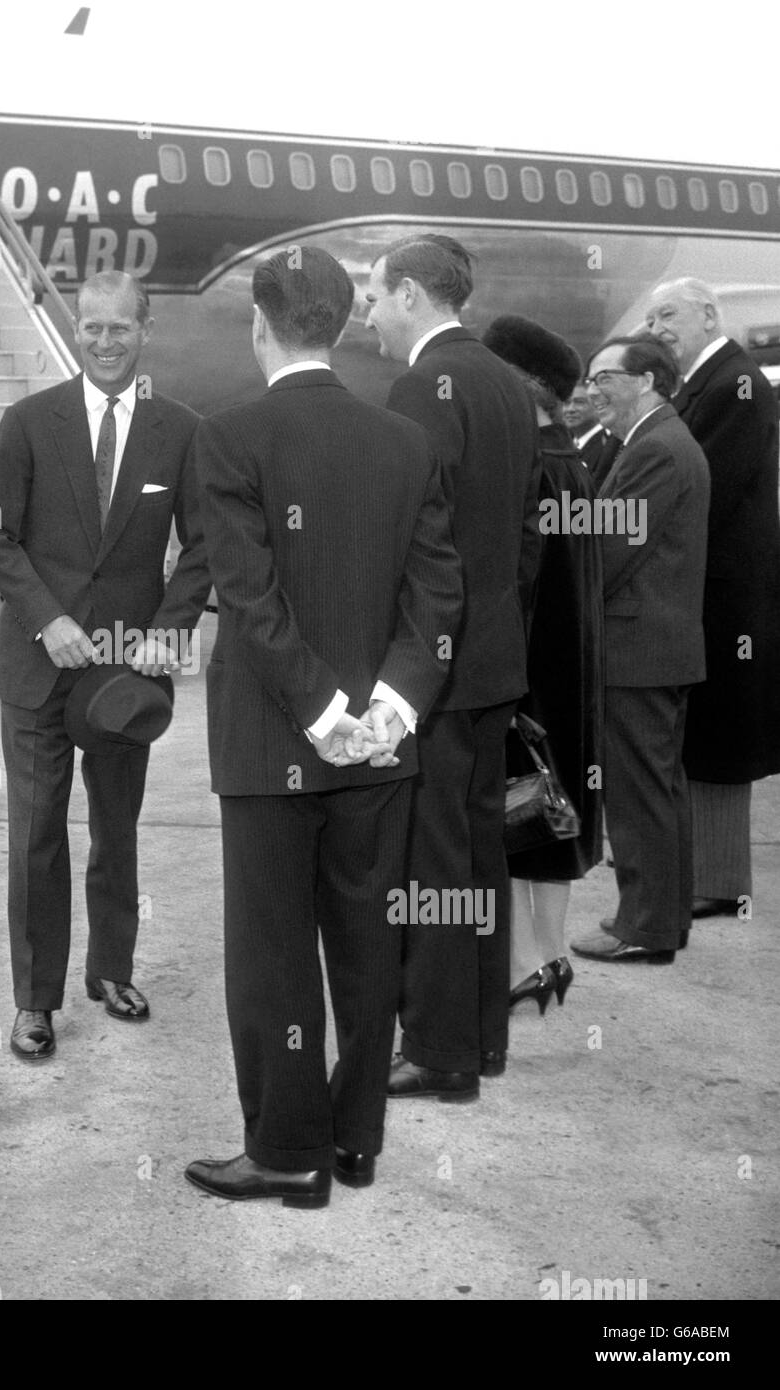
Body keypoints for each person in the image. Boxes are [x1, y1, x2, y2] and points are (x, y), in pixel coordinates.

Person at [184, 247, 462, 1208]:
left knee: (270, 956)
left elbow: (249, 600)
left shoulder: (227, 438)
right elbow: (437, 590)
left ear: (259, 324)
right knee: (366, 944)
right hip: (383, 753)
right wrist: (388, 706)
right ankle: (355, 1140)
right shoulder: (402, 442)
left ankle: (285, 1150)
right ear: (344, 324)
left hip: (273, 746)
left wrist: (320, 711)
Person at [0, 270, 208, 1063]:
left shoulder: (178, 431)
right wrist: (49, 621)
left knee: (116, 830)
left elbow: (204, 545)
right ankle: (35, 1001)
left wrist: (167, 630)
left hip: (123, 678)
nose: (103, 343)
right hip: (42, 667)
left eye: (118, 329)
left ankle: (111, 970)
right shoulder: (28, 422)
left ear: (145, 332)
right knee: (36, 835)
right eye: (90, 329)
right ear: (74, 331)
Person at [363, 234, 542, 1102]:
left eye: (372, 295)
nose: (367, 313)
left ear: (407, 294)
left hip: (438, 672)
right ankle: (480, 1037)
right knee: (478, 859)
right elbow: (524, 536)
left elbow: (413, 538)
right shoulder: (507, 382)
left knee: (433, 867)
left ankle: (437, 1052)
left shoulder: (421, 386)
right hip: (493, 665)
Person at [569, 336, 709, 964]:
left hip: (637, 649)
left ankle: (643, 926)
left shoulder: (654, 448)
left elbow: (610, 551)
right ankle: (664, 917)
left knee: (636, 794)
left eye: (606, 378)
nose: (593, 390)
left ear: (646, 380)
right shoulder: (661, 440)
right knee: (661, 789)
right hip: (658, 647)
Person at [644, 278, 780, 920]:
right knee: (703, 731)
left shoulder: (735, 385)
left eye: (667, 313)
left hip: (727, 598)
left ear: (707, 312)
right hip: (709, 589)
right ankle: (704, 871)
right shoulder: (708, 383)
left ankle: (722, 881)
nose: (657, 326)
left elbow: (705, 490)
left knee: (722, 734)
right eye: (650, 317)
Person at [481, 316, 604, 1013]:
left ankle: (524, 964)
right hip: (568, 669)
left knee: (511, 814)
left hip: (528, 670)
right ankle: (549, 956)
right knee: (546, 815)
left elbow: (519, 581)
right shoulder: (568, 459)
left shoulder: (530, 462)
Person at [564, 381, 621, 489]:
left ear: (597, 406)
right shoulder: (565, 445)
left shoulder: (609, 447)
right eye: (566, 403)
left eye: (579, 402)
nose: (570, 409)